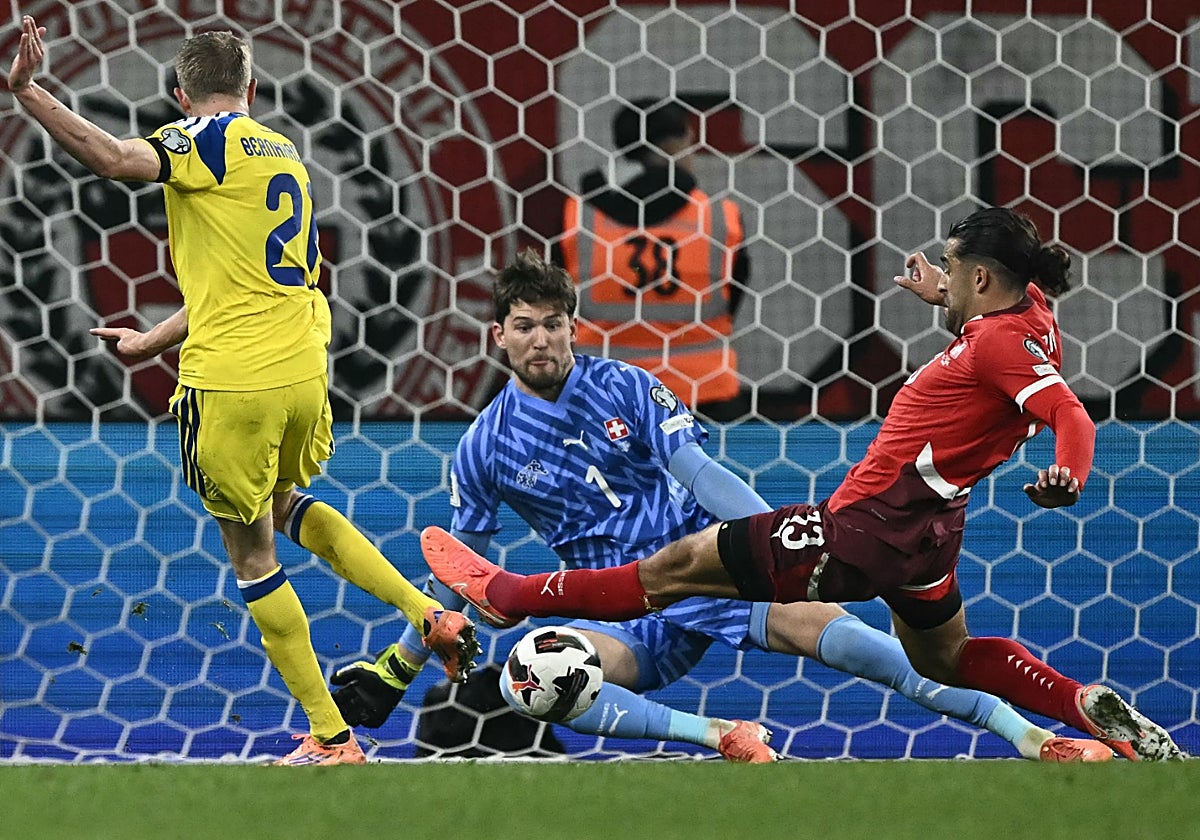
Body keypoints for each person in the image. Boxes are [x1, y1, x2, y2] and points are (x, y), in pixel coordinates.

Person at [420, 208, 1189, 761]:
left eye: (951, 267)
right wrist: (947, 303)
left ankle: (516, 594)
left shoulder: (622, 385)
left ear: (982, 277)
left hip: (863, 527)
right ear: (501, 335)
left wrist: (1070, 473)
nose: (543, 337)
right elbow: (1002, 350)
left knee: (678, 571)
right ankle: (1055, 722)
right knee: (940, 658)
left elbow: (1067, 414)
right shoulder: (1028, 320)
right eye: (525, 325)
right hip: (928, 536)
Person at [6, 17, 479, 766]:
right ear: (254, 89)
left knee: (252, 554)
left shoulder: (203, 138)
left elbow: (111, 156)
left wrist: (29, 92)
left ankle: (331, 737)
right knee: (285, 500)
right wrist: (149, 339)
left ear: (180, 95)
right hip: (302, 368)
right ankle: (425, 611)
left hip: (235, 380)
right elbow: (238, 282)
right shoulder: (281, 150)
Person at [558, 98, 747, 418]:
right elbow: (733, 295)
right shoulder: (719, 217)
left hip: (604, 396)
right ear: (676, 144)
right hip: (703, 398)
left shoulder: (578, 216)